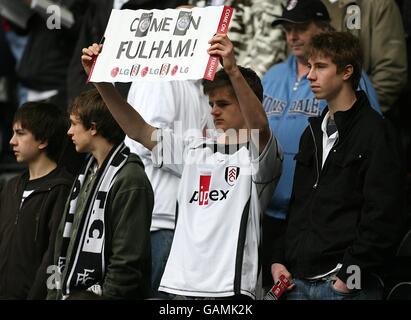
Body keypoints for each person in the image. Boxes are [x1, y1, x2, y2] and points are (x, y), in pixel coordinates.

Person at [81, 33, 282, 299]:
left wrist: (232, 69)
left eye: (223, 104)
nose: (213, 111)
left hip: (231, 289)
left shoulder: (260, 155)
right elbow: (139, 130)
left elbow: (260, 126)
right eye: (211, 104)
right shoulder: (194, 149)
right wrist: (102, 82)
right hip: (181, 287)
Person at [270, 31, 406, 300]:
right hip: (298, 282)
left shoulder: (377, 132)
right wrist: (278, 260)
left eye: (320, 67)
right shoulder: (310, 133)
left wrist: (348, 278)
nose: (310, 75)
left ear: (346, 72)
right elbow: (298, 207)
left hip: (344, 287)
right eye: (309, 66)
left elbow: (385, 216)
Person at [261, 0, 381, 289]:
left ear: (323, 27)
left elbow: (379, 200)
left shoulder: (348, 83)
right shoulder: (273, 75)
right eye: (288, 29)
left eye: (301, 28)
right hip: (274, 217)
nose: (292, 36)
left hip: (330, 229)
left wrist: (351, 275)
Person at [47, 89, 154, 300]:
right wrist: (54, 295)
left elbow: (126, 261)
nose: (69, 131)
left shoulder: (130, 178)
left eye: (74, 124)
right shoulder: (86, 173)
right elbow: (61, 245)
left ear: (93, 128)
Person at [125, 80, 211, 298]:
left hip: (177, 221)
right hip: (158, 217)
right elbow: (145, 141)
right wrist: (194, 161)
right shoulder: (160, 79)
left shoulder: (197, 86)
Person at [0, 102, 73, 299]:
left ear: (42, 140)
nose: (11, 141)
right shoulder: (12, 186)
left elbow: (54, 255)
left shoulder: (61, 189)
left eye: (20, 133)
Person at [320, 0, 407, 113]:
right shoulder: (304, 4)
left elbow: (391, 71)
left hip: (358, 118)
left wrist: (357, 114)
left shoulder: (379, 4)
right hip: (312, 118)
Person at [189, 0, 287, 77]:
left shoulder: (265, 3)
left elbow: (267, 52)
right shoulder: (197, 2)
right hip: (198, 82)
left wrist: (239, 86)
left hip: (234, 90)